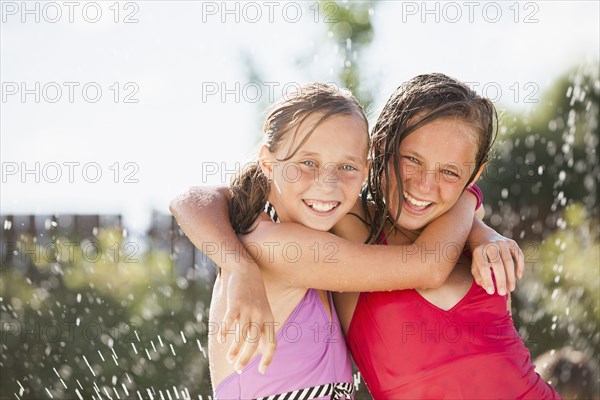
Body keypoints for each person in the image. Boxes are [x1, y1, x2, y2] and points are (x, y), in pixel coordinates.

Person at [170, 77, 525, 399]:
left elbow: (194, 199)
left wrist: (480, 232)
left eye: (346, 167)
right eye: (308, 163)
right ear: (268, 161)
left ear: (365, 168)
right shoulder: (282, 248)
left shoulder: (278, 233)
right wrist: (467, 198)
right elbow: (428, 266)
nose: (328, 184)